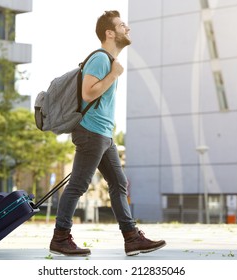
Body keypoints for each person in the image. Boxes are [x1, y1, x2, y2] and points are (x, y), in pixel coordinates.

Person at [49, 10, 166, 257]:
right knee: (78, 185)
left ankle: (131, 238)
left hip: (103, 134)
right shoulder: (101, 59)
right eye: (123, 25)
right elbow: (88, 93)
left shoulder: (108, 61)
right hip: (92, 132)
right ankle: (60, 237)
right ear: (110, 33)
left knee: (119, 183)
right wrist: (114, 74)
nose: (128, 29)